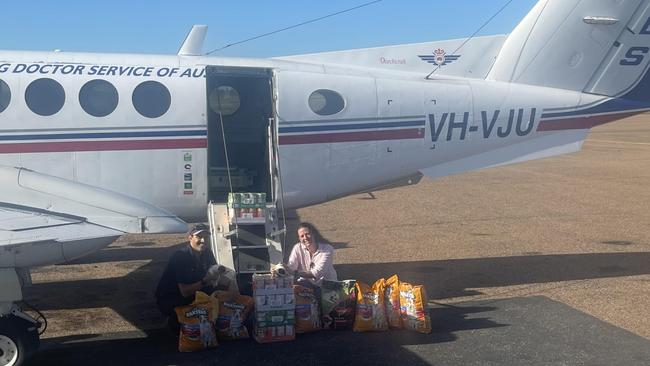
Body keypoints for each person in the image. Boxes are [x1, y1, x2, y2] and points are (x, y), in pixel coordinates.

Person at [155, 223, 221, 334]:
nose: (204, 241)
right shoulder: (180, 256)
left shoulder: (207, 253)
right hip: (173, 297)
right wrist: (206, 280)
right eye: (199, 237)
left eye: (206, 237)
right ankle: (175, 321)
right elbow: (185, 292)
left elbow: (214, 272)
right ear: (190, 237)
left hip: (195, 290)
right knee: (189, 328)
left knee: (220, 294)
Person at [273, 222, 337, 287]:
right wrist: (280, 270)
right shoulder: (297, 248)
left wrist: (293, 272)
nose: (305, 238)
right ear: (299, 239)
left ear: (314, 234)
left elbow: (317, 273)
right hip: (307, 285)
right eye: (302, 236)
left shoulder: (327, 249)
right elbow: (291, 267)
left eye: (307, 234)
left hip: (327, 286)